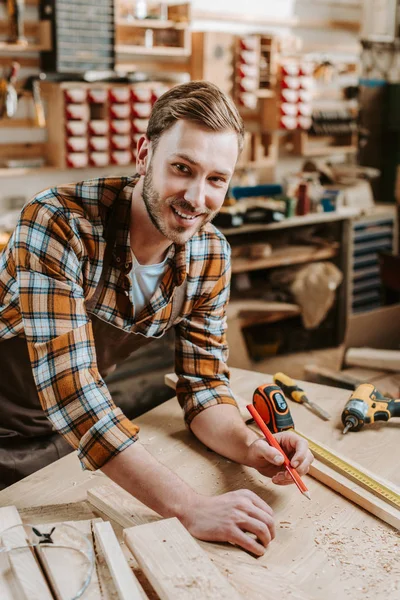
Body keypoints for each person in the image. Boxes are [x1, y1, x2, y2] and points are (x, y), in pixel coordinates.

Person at [0, 81, 313, 556]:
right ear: (145, 154)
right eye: (181, 168)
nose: (195, 197)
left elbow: (204, 387)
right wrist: (188, 506)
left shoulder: (209, 255)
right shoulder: (58, 223)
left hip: (62, 436)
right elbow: (74, 392)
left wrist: (249, 446)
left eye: (215, 180)